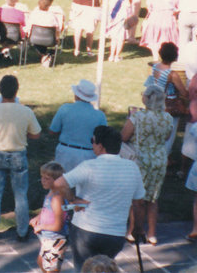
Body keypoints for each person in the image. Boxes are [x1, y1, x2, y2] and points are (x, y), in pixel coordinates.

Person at [53, 125, 145, 270]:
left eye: (92, 141)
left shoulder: (89, 166)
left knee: (83, 269)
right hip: (115, 234)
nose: (92, 144)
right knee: (106, 269)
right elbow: (139, 203)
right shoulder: (132, 168)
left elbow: (59, 183)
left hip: (86, 230)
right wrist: (138, 228)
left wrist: (73, 200)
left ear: (100, 146)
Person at [0, 74, 41, 242]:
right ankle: (22, 231)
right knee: (20, 194)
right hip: (18, 154)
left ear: (0, 91)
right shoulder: (26, 111)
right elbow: (36, 134)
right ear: (16, 91)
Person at [122, 85, 174, 244]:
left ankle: (133, 231)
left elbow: (123, 137)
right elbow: (166, 138)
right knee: (153, 197)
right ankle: (152, 233)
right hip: (158, 158)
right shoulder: (168, 118)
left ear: (147, 98)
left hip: (140, 159)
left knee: (136, 198)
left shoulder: (136, 117)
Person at [49, 80, 107, 172]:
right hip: (88, 154)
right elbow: (104, 138)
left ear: (76, 95)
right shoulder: (100, 115)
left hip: (65, 152)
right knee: (84, 184)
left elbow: (53, 130)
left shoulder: (65, 109)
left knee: (61, 182)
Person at [29, 162, 70, 273]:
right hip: (48, 238)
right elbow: (47, 210)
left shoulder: (57, 198)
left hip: (55, 239)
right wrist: (38, 217)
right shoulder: (51, 193)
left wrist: (41, 226)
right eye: (42, 177)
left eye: (47, 178)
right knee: (41, 262)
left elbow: (58, 225)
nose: (43, 180)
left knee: (51, 269)